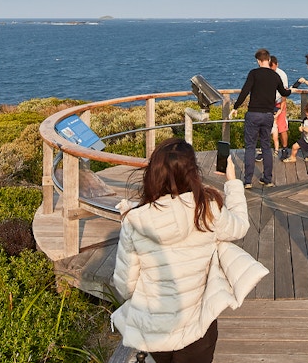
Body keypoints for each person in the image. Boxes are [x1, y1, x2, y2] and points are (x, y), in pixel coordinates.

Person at [112, 138, 259, 363]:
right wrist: (232, 182)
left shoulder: (135, 220)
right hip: (198, 325)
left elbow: (125, 286)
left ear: (152, 173)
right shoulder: (206, 208)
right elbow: (240, 226)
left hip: (156, 329)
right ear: (193, 172)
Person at [229, 48, 291, 189]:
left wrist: (236, 107)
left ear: (258, 61)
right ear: (269, 60)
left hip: (253, 114)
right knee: (266, 147)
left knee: (250, 147)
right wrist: (291, 90)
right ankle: (267, 179)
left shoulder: (253, 74)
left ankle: (248, 181)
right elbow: (284, 92)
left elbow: (245, 91)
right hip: (268, 115)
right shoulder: (275, 76)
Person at [269, 56, 290, 159]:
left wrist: (282, 107)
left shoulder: (282, 75)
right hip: (268, 103)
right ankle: (264, 149)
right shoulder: (266, 72)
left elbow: (284, 93)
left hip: (278, 102)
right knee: (265, 126)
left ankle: (285, 149)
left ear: (277, 65)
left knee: (281, 127)